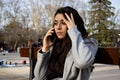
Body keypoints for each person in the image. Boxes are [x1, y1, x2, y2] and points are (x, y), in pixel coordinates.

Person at [33, 6, 98, 80]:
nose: (58, 27)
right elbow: (39, 77)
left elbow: (83, 63)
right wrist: (45, 49)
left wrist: (73, 30)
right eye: (55, 23)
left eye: (63, 23)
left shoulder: (88, 43)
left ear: (74, 24)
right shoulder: (54, 44)